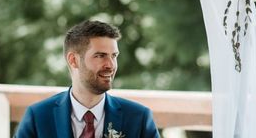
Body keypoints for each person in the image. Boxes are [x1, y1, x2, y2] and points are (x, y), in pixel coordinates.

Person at [14, 20, 160, 138]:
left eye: (114, 56)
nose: (111, 65)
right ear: (73, 60)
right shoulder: (38, 117)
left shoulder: (138, 118)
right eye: (100, 56)